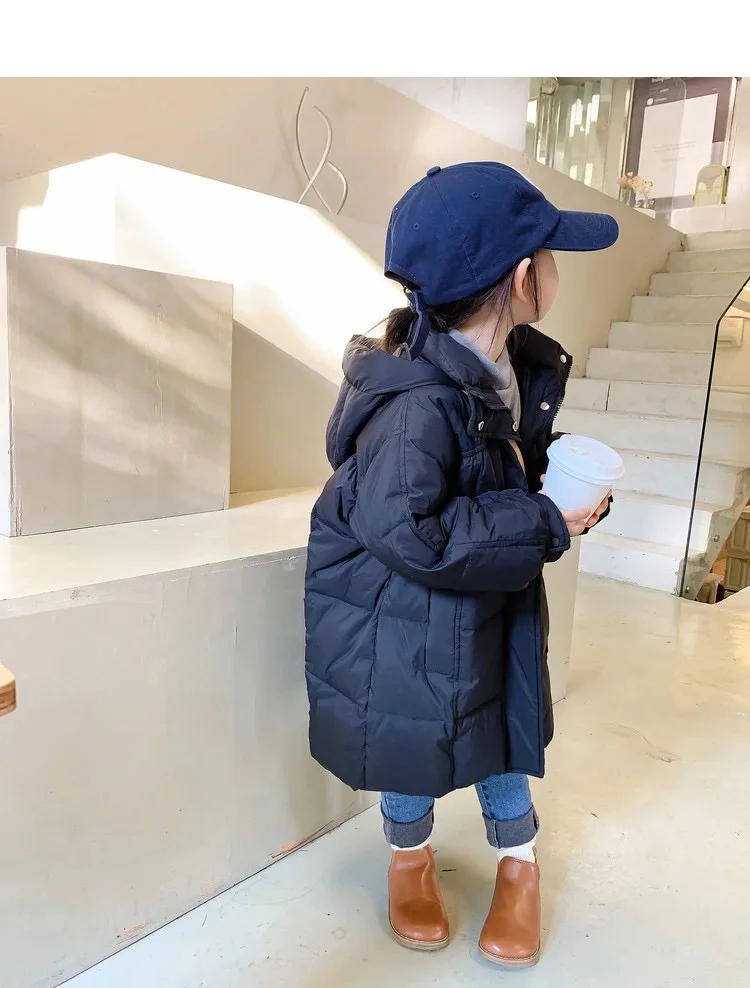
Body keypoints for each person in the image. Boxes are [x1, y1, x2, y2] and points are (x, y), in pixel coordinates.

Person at [304, 162, 617, 968]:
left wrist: (556, 488)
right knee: (414, 741)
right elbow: (414, 529)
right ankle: (409, 857)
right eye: (550, 254)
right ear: (521, 278)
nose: (554, 269)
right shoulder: (416, 405)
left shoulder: (507, 365)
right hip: (412, 619)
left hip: (485, 595)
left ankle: (520, 864)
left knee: (500, 733)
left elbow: (497, 466)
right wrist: (542, 520)